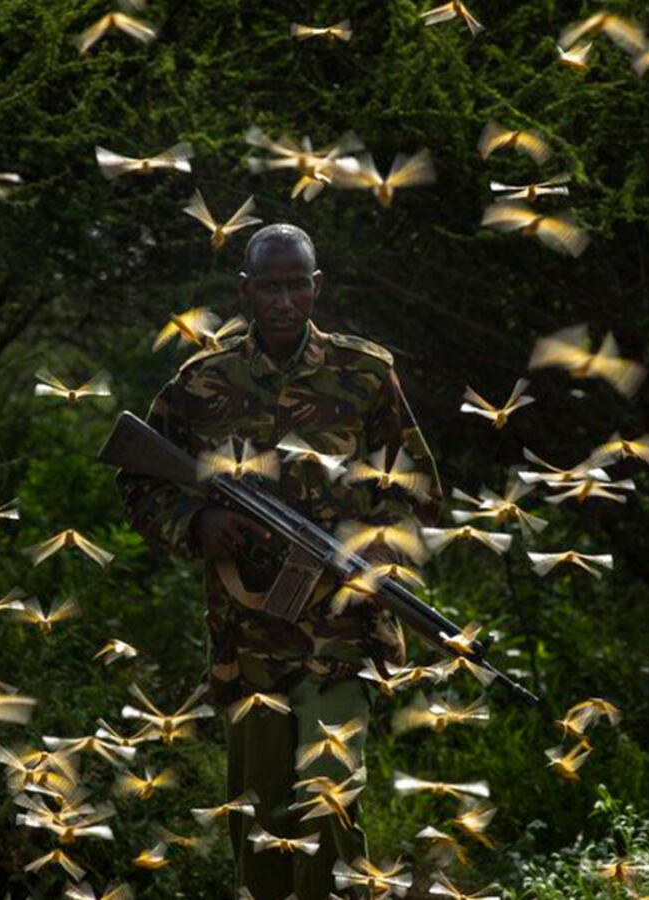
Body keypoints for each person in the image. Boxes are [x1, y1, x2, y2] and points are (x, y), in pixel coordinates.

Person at [116, 223, 443, 898]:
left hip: (343, 637)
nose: (285, 300)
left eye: (298, 284)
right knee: (259, 825)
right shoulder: (201, 380)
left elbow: (417, 488)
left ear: (316, 287)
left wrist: (366, 548)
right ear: (245, 290)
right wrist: (199, 521)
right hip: (248, 643)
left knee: (331, 805)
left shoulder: (365, 374)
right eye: (270, 285)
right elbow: (138, 481)